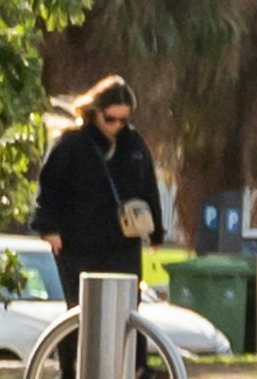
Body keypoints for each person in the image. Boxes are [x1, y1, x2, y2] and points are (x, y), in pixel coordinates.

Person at [32, 78, 163, 296]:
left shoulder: (134, 144)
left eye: (123, 120)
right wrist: (49, 229)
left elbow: (149, 188)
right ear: (95, 111)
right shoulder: (72, 144)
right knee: (83, 313)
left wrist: (156, 232)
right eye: (110, 119)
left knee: (125, 311)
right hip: (79, 245)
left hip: (123, 244)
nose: (116, 126)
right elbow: (49, 187)